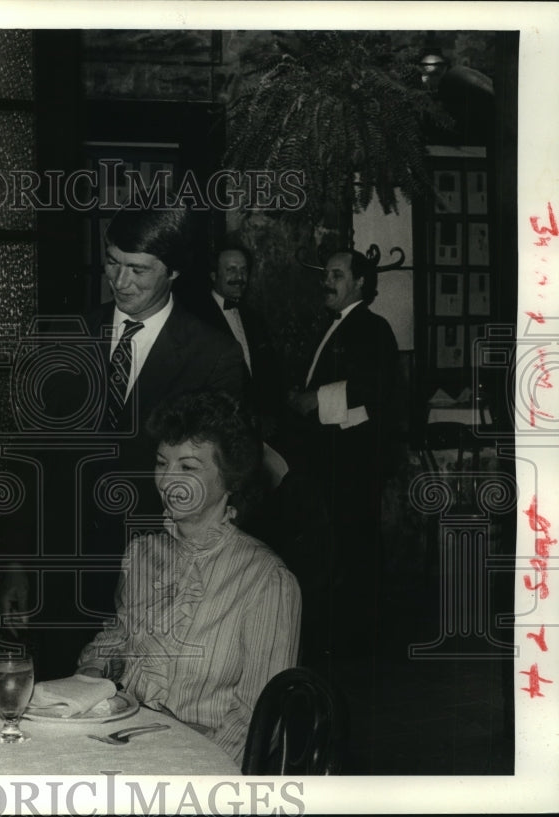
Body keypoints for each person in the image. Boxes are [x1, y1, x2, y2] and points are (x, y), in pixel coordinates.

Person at [2, 206, 248, 679]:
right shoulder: (65, 338)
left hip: (158, 577)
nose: (120, 280)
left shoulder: (213, 356)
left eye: (139, 269)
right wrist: (16, 562)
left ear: (174, 271)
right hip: (61, 574)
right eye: (113, 262)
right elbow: (28, 460)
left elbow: (213, 483)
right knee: (56, 704)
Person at [76, 389, 301, 765]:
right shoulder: (141, 554)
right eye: (162, 463)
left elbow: (260, 721)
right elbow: (119, 637)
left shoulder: (266, 580)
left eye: (188, 468)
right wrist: (92, 671)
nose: (167, 482)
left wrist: (184, 765)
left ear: (230, 479)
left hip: (201, 773)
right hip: (121, 748)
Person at [283, 249, 399, 657]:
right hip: (330, 457)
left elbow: (376, 387)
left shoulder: (374, 327)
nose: (326, 281)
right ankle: (347, 633)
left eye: (336, 274)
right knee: (338, 548)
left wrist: (314, 398)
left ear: (360, 283)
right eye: (326, 274)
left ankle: (363, 640)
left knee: (358, 546)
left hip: (355, 458)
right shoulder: (332, 325)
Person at [179, 236, 283, 437]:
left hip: (256, 428)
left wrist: (268, 416)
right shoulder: (195, 319)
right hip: (215, 427)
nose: (239, 276)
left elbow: (269, 373)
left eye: (243, 270)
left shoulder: (254, 319)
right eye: (231, 270)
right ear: (213, 274)